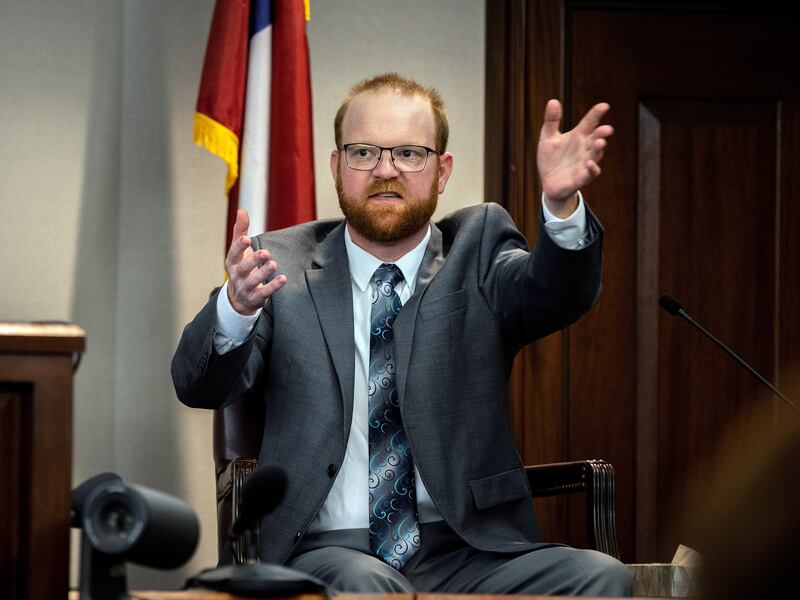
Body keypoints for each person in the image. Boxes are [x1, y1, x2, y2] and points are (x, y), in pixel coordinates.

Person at [172, 72, 631, 595]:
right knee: (365, 583)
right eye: (363, 152)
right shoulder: (280, 266)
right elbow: (197, 384)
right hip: (328, 551)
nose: (385, 170)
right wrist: (234, 307)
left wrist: (562, 209)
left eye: (410, 154)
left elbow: (556, 294)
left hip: (469, 548)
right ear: (336, 167)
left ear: (442, 171)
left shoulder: (477, 250)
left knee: (600, 577)